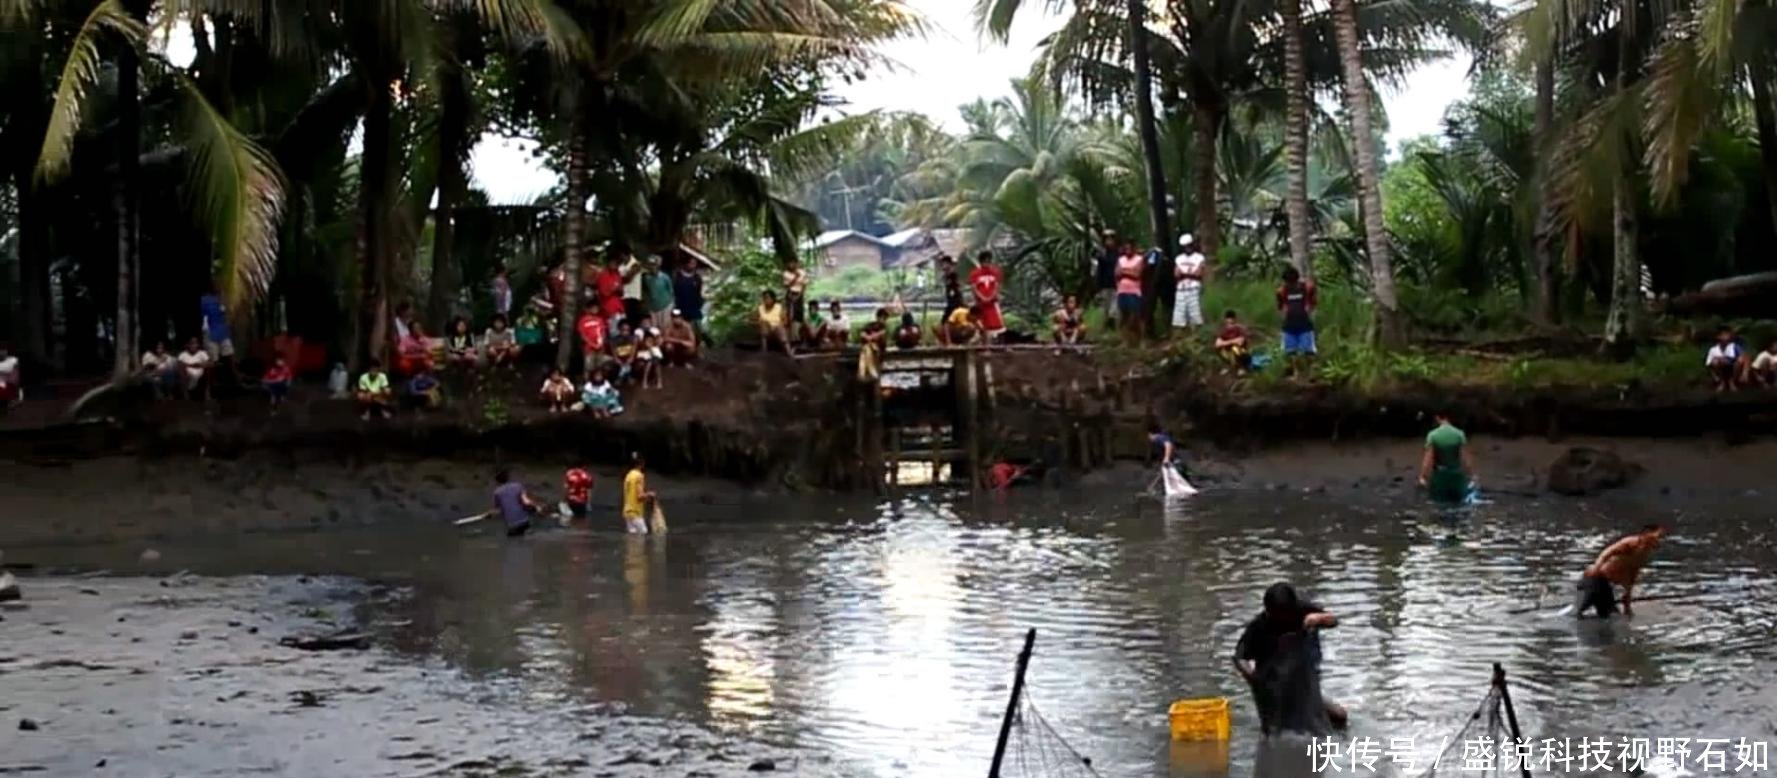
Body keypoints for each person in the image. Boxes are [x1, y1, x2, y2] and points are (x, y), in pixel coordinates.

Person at [1234, 583, 1347, 735]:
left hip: (1303, 684)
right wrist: (1254, 678)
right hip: (1274, 687)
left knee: (1340, 717)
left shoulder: (1302, 610)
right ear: (1268, 611)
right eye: (1277, 615)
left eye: (1286, 614)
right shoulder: (1259, 627)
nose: (1282, 619)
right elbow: (1239, 657)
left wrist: (1318, 618)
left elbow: (1333, 621)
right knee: (1278, 734)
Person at [1575, 524, 1667, 617]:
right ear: (1647, 534)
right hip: (1595, 578)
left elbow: (1633, 573)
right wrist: (1596, 567)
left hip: (1606, 584)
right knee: (1583, 608)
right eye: (1659, 537)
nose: (1660, 540)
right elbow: (1607, 552)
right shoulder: (1630, 543)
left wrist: (1627, 596)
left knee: (1610, 614)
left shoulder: (1644, 553)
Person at [1418, 411, 1476, 504]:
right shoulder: (1459, 434)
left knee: (1439, 505)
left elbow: (1428, 459)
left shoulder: (1433, 435)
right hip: (1456, 475)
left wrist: (1422, 476)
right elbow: (1466, 458)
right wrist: (1472, 476)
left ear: (1437, 418)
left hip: (1440, 476)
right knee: (1458, 504)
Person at [1276, 267, 1318, 376]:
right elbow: (1280, 308)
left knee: (1309, 352)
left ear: (1296, 280)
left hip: (1304, 325)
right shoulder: (1282, 291)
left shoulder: (1306, 288)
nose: (1289, 284)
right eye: (1287, 282)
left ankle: (1312, 373)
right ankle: (1295, 373)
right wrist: (1283, 319)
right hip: (1289, 326)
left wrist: (1310, 312)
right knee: (1290, 352)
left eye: (1291, 282)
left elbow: (1313, 304)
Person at [491, 468, 540, 538]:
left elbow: (498, 510)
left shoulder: (497, 493)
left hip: (512, 526)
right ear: (508, 478)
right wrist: (537, 508)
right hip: (526, 522)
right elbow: (526, 502)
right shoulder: (518, 486)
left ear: (496, 481)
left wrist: (489, 514)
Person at [1172, 234, 1207, 332]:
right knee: (1180, 313)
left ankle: (1196, 333)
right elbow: (1176, 274)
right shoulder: (1179, 258)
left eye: (1189, 245)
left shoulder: (1199, 257)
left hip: (1194, 287)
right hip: (1181, 288)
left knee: (1195, 312)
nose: (1187, 248)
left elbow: (1199, 273)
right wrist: (1189, 274)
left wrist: (1185, 274)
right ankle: (1182, 334)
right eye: (1185, 246)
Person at [969, 252, 1005, 343]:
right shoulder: (975, 273)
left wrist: (991, 296)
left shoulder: (995, 272)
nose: (987, 263)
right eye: (985, 261)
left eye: (989, 261)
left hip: (992, 303)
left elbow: (997, 286)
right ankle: (984, 345)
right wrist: (982, 297)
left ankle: (998, 345)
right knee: (982, 325)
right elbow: (974, 288)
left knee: (997, 325)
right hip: (981, 304)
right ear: (981, 262)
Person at [1115, 240, 1145, 341]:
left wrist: (1124, 272)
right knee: (1123, 315)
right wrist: (1129, 272)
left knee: (1134, 315)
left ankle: (1137, 338)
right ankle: (1124, 339)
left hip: (1134, 291)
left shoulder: (1139, 259)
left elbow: (1137, 274)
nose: (1128, 251)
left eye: (1130, 248)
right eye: (1126, 249)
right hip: (1122, 290)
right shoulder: (1121, 259)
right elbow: (1117, 273)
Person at [594, 252, 631, 332]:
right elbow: (603, 293)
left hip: (619, 307)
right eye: (613, 262)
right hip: (609, 309)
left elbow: (621, 293)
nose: (615, 264)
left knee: (624, 331)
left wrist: (620, 290)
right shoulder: (603, 275)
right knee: (614, 332)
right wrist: (614, 289)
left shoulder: (617, 274)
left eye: (617, 263)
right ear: (608, 262)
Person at [621, 454, 656, 534]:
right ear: (642, 464)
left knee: (633, 538)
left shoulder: (628, 475)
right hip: (635, 512)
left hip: (627, 512)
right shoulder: (639, 476)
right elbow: (639, 496)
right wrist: (650, 494)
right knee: (643, 532)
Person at [1705, 325, 1746, 391]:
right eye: (1724, 335)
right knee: (1715, 361)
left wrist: (1744, 372)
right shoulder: (1713, 349)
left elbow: (1743, 356)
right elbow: (1708, 364)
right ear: (1718, 337)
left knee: (1739, 361)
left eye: (1727, 334)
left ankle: (1732, 381)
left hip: (1732, 368)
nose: (1726, 336)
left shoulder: (1734, 346)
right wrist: (1715, 377)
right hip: (1721, 368)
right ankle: (1722, 382)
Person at [199, 286, 235, 362]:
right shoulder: (205, 300)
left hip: (221, 330)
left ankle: (230, 371)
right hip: (211, 330)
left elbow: (225, 314)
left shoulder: (220, 301)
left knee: (227, 353)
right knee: (214, 356)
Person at [673, 257, 706, 338]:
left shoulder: (697, 278)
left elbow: (700, 292)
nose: (692, 265)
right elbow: (674, 291)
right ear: (686, 264)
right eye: (690, 263)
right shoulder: (678, 276)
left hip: (694, 307)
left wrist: (700, 303)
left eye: (694, 264)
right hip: (681, 306)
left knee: (697, 329)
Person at [1095, 230, 1120, 326]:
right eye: (1107, 240)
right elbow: (1099, 270)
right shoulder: (1102, 254)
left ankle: (1114, 322)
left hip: (1115, 283)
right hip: (1105, 283)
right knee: (1106, 306)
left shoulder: (1118, 253)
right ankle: (1107, 325)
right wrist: (1098, 285)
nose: (1109, 242)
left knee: (1114, 307)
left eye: (1111, 239)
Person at [757, 290, 793, 356]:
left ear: (773, 299)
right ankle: (764, 351)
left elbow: (785, 321)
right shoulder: (760, 308)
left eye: (767, 298)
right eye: (764, 298)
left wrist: (779, 325)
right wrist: (759, 323)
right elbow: (753, 320)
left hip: (778, 331)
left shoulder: (779, 307)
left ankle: (788, 352)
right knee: (764, 324)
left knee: (779, 328)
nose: (766, 300)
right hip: (767, 332)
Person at [644, 258, 676, 330]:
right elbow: (646, 292)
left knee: (665, 327)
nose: (652, 267)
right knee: (654, 329)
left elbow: (671, 291)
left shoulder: (665, 277)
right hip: (653, 307)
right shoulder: (646, 278)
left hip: (666, 305)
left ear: (657, 266)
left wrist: (672, 304)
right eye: (650, 265)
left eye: (654, 265)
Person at [858, 308, 888, 383]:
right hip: (870, 347)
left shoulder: (884, 328)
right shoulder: (871, 325)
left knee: (867, 349)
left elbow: (879, 335)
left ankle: (862, 374)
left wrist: (870, 338)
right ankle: (872, 373)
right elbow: (862, 333)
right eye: (882, 317)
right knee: (867, 348)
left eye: (885, 318)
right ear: (878, 317)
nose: (883, 320)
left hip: (878, 349)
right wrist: (867, 337)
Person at [783, 257, 809, 332]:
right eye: (790, 263)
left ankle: (799, 333)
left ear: (796, 264)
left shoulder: (802, 272)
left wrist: (800, 295)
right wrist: (796, 277)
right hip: (790, 293)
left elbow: (804, 285)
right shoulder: (786, 273)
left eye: (793, 263)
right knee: (790, 312)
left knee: (799, 313)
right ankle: (790, 332)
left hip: (799, 293)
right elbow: (787, 286)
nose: (791, 265)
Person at [0, 344, 18, 408]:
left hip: (8, 383)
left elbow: (14, 376)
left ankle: (9, 401)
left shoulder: (12, 361)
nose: (2, 352)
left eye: (3, 350)